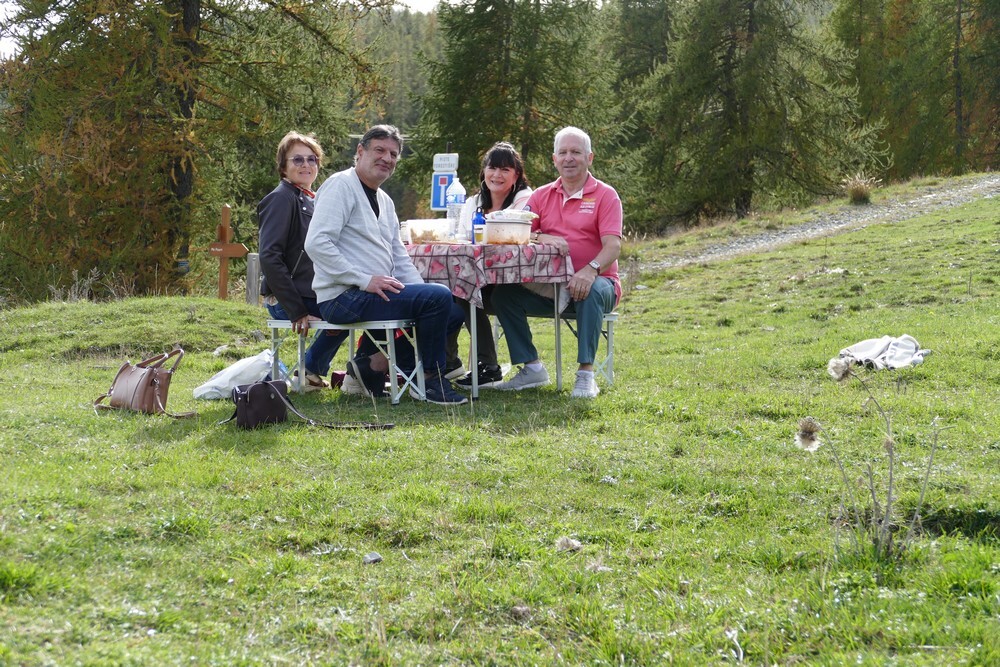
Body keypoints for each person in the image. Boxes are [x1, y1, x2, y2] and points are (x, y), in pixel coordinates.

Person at [305, 124, 468, 405]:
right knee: (437, 300)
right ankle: (430, 380)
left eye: (393, 154)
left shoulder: (385, 200)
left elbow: (399, 256)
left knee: (451, 310)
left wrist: (421, 294)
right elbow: (317, 244)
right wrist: (363, 279)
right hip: (343, 295)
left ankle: (370, 366)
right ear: (360, 151)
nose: (387, 158)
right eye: (379, 150)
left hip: (371, 293)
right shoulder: (340, 185)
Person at [491, 126, 622, 398]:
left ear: (590, 157)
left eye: (576, 152)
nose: (569, 158)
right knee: (502, 294)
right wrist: (543, 236)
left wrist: (590, 270)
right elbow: (519, 232)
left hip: (599, 284)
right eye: (562, 152)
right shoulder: (541, 195)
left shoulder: (605, 195)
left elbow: (613, 246)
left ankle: (586, 375)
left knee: (591, 289)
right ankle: (532, 368)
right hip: (549, 287)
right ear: (554, 159)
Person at [258, 131, 346, 391]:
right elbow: (269, 257)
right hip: (289, 300)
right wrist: (296, 308)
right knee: (352, 309)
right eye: (297, 160)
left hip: (313, 292)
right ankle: (316, 371)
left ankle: (311, 373)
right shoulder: (281, 198)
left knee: (358, 303)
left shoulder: (312, 198)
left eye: (312, 159)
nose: (306, 165)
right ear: (283, 166)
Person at [448, 142, 532, 389]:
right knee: (451, 290)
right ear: (484, 172)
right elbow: (463, 238)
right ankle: (449, 362)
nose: (497, 175)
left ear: (516, 175)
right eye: (492, 168)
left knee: (464, 291)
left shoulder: (524, 199)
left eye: (505, 169)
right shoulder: (473, 202)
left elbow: (511, 234)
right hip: (482, 278)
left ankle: (487, 365)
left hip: (515, 281)